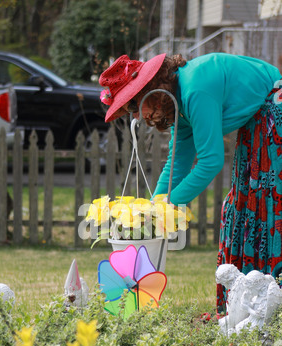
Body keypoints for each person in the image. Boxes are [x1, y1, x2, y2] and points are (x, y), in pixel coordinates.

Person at [99, 52, 282, 314]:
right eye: (130, 110)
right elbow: (177, 164)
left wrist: (167, 207)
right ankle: (247, 306)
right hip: (258, 119)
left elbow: (210, 161)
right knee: (248, 203)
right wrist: (151, 212)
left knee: (267, 204)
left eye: (135, 104)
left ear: (153, 88)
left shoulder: (195, 90)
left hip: (275, 110)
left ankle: (270, 302)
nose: (138, 116)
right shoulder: (178, 104)